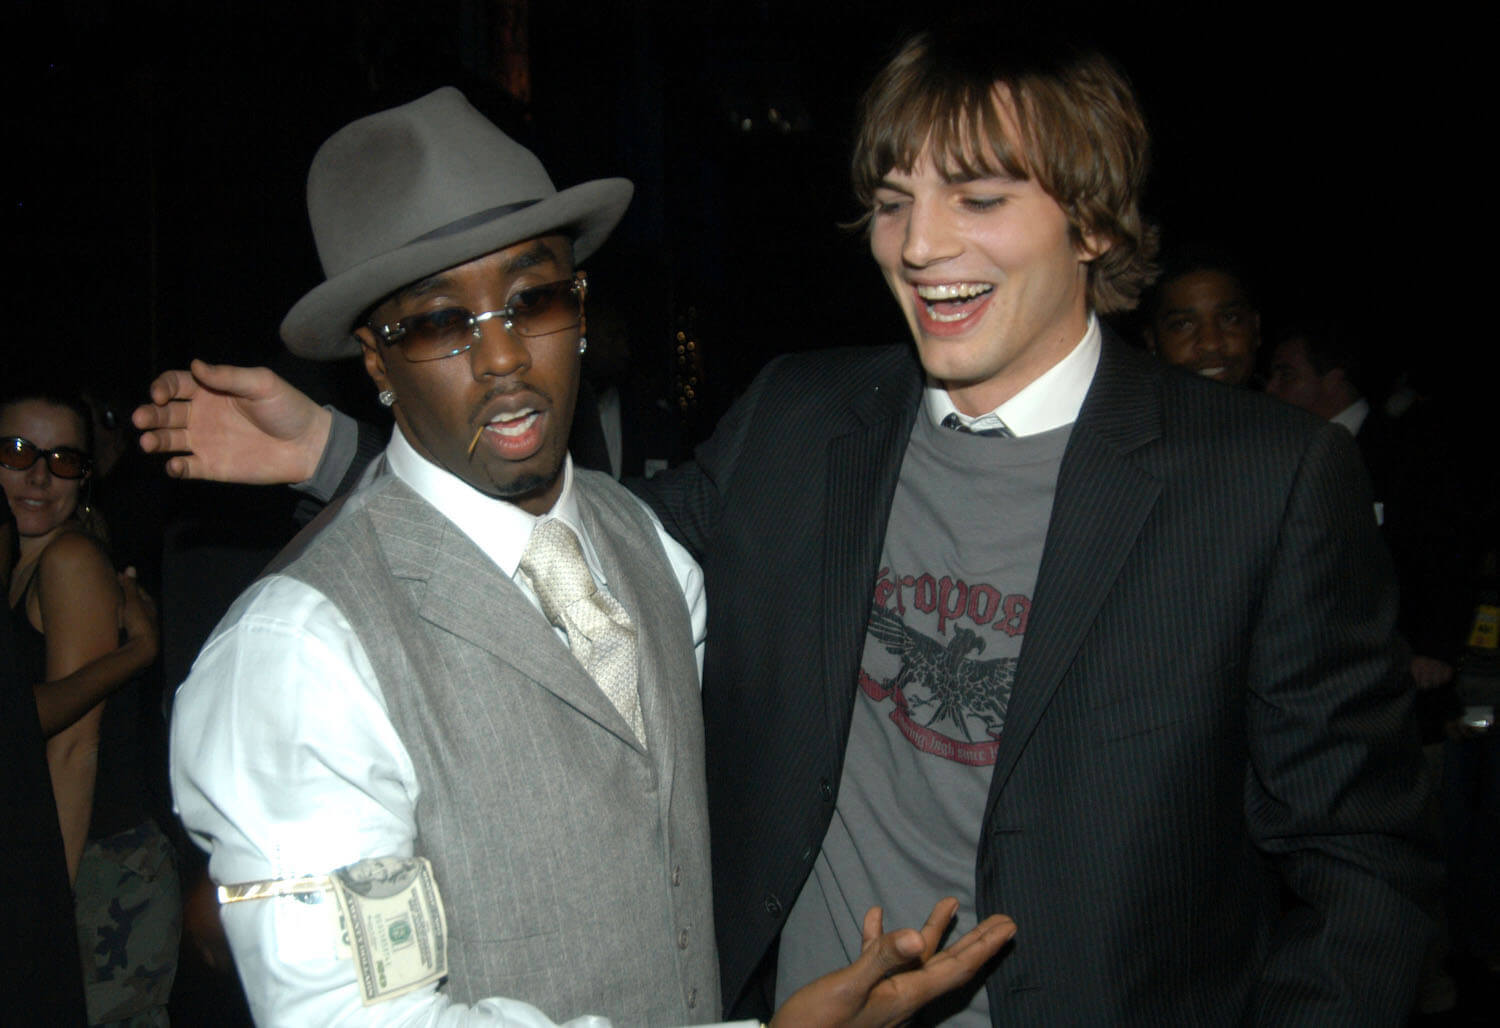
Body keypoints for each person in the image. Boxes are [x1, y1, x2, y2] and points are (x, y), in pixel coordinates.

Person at [136, 31, 1432, 1024]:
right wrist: (337, 450)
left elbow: (1362, 872)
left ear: (1093, 219)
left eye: (977, 197)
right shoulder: (806, 418)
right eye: (890, 199)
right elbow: (586, 554)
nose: (918, 245)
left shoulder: (1261, 485)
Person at [157, 87, 1011, 1026]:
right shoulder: (298, 656)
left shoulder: (644, 544)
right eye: (443, 323)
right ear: (374, 360)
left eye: (535, 299)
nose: (504, 359)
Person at [1, 387, 179, 1024]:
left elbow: (74, 747)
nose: (40, 476)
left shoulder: (69, 559)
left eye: (64, 460)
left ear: (86, 476)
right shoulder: (22, 559)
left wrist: (50, 899)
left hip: (100, 870)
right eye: (18, 452)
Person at [1143, 255, 1262, 387]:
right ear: (1152, 340)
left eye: (1229, 318)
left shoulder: (1279, 407)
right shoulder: (1130, 406)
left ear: (1255, 327)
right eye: (1183, 324)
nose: (1211, 344)